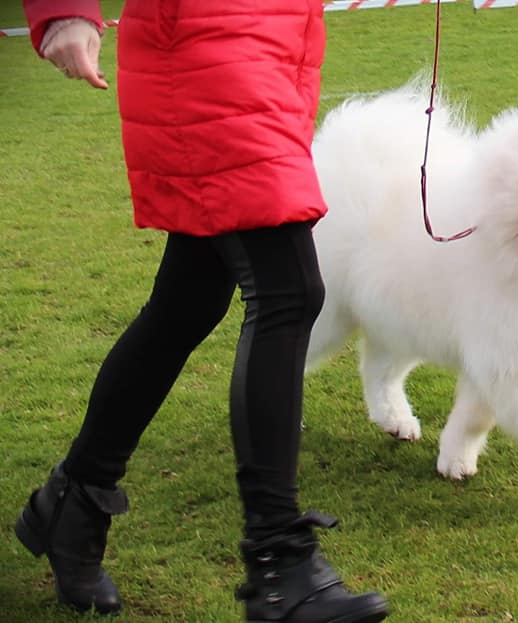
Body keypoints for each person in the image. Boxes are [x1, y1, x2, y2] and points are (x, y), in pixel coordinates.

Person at [15, 2, 390, 622]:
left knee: (188, 300)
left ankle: (72, 503)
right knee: (289, 289)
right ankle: (279, 562)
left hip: (270, 49)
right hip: (208, 51)